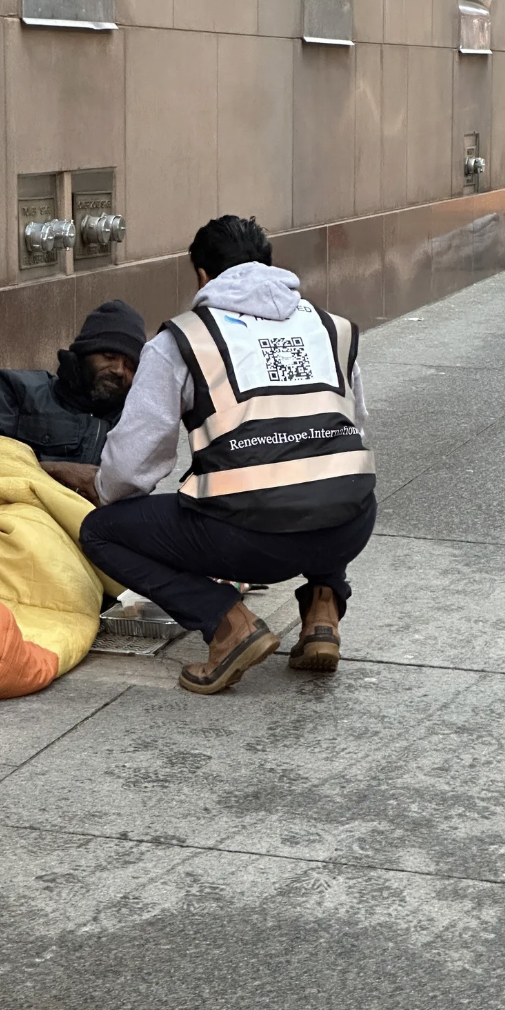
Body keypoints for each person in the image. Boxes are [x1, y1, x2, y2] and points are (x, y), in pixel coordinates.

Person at [74, 215, 376, 695]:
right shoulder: (330, 328)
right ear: (270, 266)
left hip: (248, 542)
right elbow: (351, 429)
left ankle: (226, 625)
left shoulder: (183, 339)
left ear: (201, 276)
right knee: (320, 472)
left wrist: (103, 487)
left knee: (100, 534)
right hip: (349, 528)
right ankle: (324, 610)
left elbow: (130, 471)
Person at [0, 300, 146, 493]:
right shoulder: (13, 390)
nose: (119, 370)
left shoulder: (132, 421)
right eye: (109, 356)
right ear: (83, 354)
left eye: (130, 365)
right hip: (10, 511)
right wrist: (56, 470)